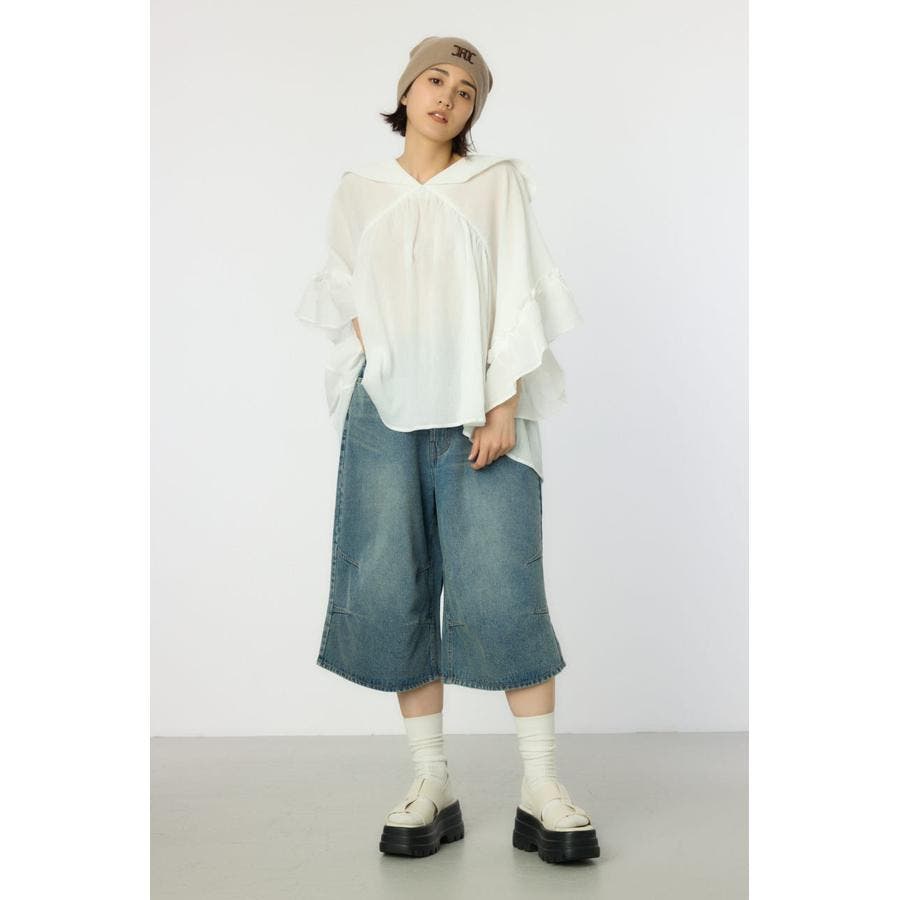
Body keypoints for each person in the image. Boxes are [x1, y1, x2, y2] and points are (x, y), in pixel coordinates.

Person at [296, 35, 599, 864]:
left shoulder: (494, 183)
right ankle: (432, 781)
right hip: (385, 411)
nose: (448, 98)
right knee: (393, 584)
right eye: (435, 80)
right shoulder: (360, 189)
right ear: (406, 91)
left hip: (481, 412)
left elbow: (519, 290)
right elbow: (347, 290)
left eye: (466, 91)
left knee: (502, 587)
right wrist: (390, 357)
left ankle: (541, 788)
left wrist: (501, 401)